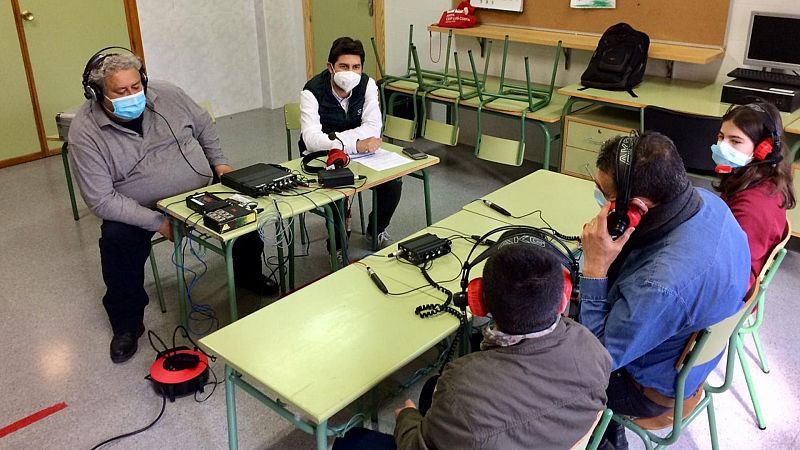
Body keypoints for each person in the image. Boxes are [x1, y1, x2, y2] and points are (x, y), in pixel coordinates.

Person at [68, 50, 275, 364]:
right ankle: (126, 323)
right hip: (137, 206)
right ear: (96, 93)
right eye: (120, 91)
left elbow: (203, 125)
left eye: (136, 87)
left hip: (200, 188)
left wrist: (220, 163)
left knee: (242, 210)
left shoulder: (168, 95)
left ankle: (248, 274)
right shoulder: (85, 132)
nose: (132, 95)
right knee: (117, 241)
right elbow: (100, 199)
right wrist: (156, 222)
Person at [333, 244, 612, 450]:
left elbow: (416, 446)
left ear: (477, 302)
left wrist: (406, 419)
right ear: (564, 299)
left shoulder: (462, 385)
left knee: (351, 443)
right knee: (433, 388)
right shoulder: (595, 351)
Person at [580, 132, 751, 449]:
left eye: (605, 196)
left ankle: (603, 436)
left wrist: (594, 269)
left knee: (547, 365)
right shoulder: (710, 204)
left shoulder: (659, 285)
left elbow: (596, 361)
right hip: (686, 358)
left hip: (644, 390)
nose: (601, 204)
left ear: (636, 209)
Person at [300, 37, 402, 250]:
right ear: (331, 68)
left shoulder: (367, 84)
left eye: (356, 67)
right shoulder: (312, 90)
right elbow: (311, 139)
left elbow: (373, 128)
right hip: (321, 156)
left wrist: (336, 139)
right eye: (344, 66)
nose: (351, 72)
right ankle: (337, 247)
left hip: (361, 153)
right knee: (338, 189)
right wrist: (355, 143)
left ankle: (376, 230)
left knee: (393, 183)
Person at [711, 101, 795, 287]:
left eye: (735, 141)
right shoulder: (752, 180)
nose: (722, 146)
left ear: (762, 149)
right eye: (721, 137)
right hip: (726, 261)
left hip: (730, 285)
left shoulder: (753, 206)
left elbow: (733, 271)